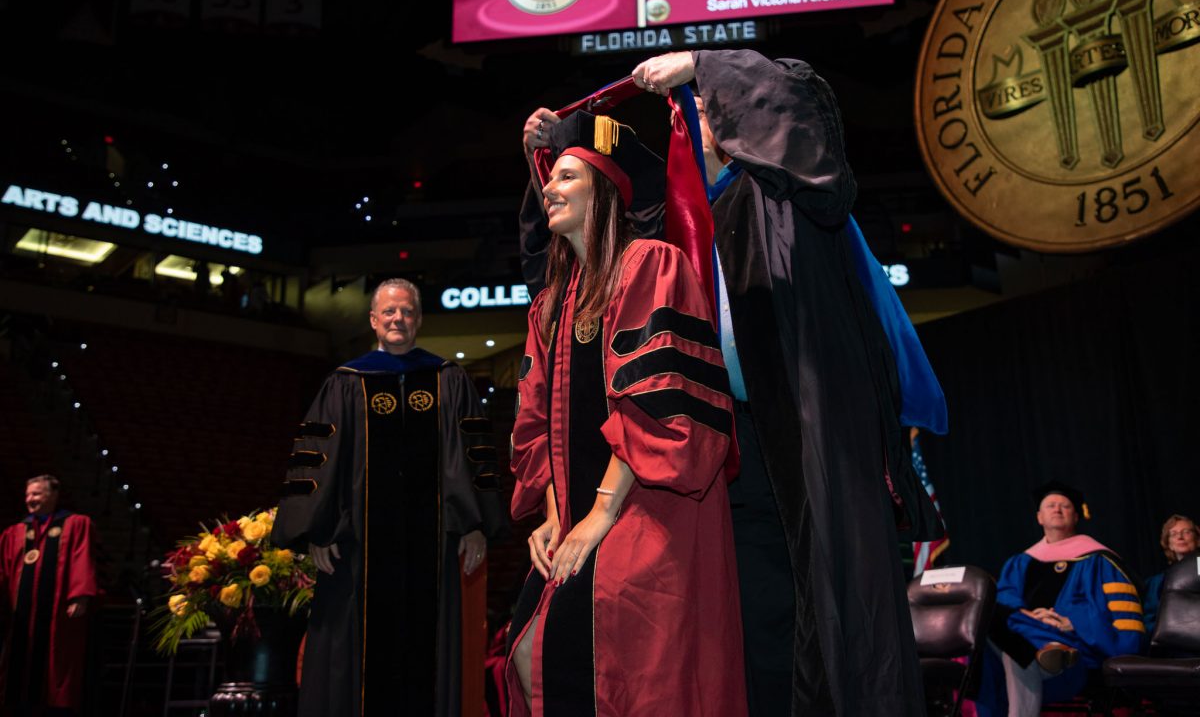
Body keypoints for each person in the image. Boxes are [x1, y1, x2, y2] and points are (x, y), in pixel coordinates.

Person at [627, 49, 942, 715]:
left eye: (712, 108)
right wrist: (550, 155)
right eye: (700, 110)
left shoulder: (787, 196)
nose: (703, 118)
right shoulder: (682, 225)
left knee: (834, 599)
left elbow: (796, 104)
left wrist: (701, 62)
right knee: (755, 612)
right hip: (735, 443)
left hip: (811, 423)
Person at [507, 110, 746, 716]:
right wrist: (557, 512)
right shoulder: (550, 306)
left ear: (604, 191)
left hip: (649, 513)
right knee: (531, 656)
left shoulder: (653, 265)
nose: (549, 190)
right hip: (577, 519)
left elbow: (663, 406)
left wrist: (599, 514)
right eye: (548, 180)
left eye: (565, 177)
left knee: (638, 681)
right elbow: (539, 423)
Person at [271, 279, 505, 717]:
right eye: (390, 312)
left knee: (427, 652)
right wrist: (319, 531)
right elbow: (319, 460)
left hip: (432, 548)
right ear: (374, 320)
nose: (399, 319)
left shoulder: (448, 380)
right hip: (359, 548)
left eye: (408, 312)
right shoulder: (344, 383)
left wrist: (473, 525)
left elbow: (472, 455)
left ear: (419, 320)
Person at [978, 481, 1146, 717]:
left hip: (1074, 642)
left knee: (1010, 642)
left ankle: (1051, 648)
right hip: (1025, 633)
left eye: (1064, 506)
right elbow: (1005, 598)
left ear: (1076, 516)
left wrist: (1072, 620)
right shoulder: (1020, 563)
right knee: (985, 627)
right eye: (1051, 505)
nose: (1057, 509)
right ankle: (1044, 647)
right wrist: (1028, 615)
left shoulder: (1099, 561)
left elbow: (1119, 619)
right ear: (1039, 517)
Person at [0, 475, 99, 715]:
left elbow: (81, 558)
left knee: (58, 659)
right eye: (27, 495)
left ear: (52, 495)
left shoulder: (76, 524)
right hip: (20, 616)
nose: (29, 499)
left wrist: (79, 595)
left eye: (36, 494)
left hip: (58, 613)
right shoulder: (14, 533)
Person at [1143, 514, 1199, 634]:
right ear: (1169, 544)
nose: (1180, 537)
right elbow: (1149, 620)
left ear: (1197, 540)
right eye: (1173, 534)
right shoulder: (1157, 582)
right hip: (1173, 643)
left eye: (1186, 532)